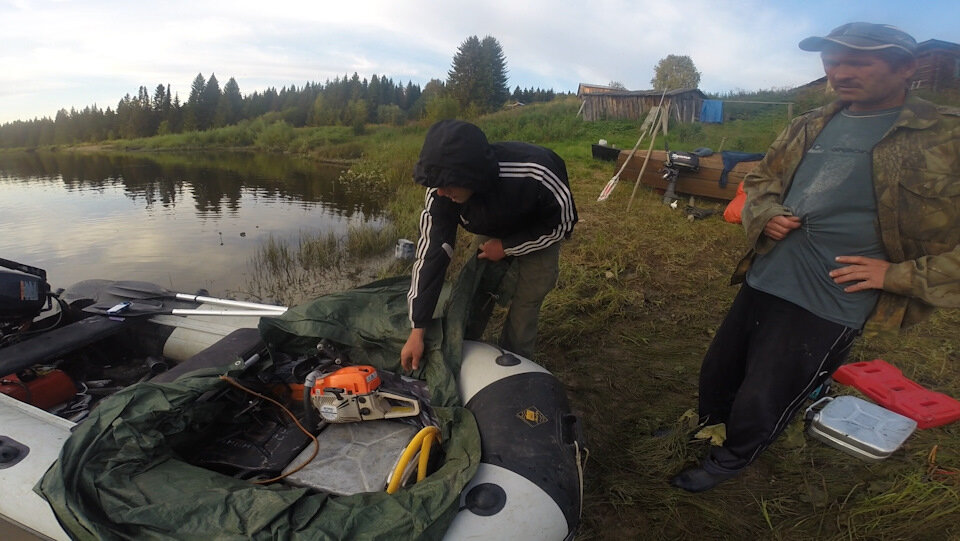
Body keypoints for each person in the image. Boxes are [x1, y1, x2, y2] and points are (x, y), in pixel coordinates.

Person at [670, 22, 960, 493]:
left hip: (835, 296)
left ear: (906, 68)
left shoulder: (946, 136)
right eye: (831, 60)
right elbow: (761, 181)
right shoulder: (809, 124)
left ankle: (733, 458)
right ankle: (710, 425)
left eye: (858, 61)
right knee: (721, 368)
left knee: (771, 389)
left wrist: (901, 275)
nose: (839, 71)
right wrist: (763, 214)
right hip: (768, 272)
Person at [400, 120, 578, 371]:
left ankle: (515, 366)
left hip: (539, 228)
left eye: (448, 184)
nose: (440, 192)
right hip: (490, 224)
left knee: (525, 306)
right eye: (437, 185)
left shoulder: (536, 172)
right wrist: (417, 329)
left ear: (472, 176)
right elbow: (432, 253)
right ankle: (465, 349)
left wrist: (507, 247)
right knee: (474, 291)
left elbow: (563, 225)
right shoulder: (440, 191)